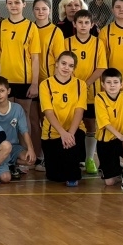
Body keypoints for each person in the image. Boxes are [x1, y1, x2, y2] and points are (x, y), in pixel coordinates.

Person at [0, 0, 42, 169]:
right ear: (6, 5)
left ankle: (25, 154)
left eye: (17, 2)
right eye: (10, 3)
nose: (13, 6)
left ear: (24, 4)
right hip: (3, 80)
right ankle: (4, 155)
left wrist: (34, 83)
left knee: (23, 118)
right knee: (2, 117)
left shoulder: (31, 27)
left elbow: (35, 58)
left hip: (24, 80)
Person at [67, 9, 107, 175]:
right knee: (71, 124)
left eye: (86, 23)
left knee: (91, 125)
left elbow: (101, 67)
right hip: (71, 92)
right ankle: (73, 158)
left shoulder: (98, 43)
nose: (83, 26)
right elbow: (64, 65)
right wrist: (75, 84)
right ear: (74, 24)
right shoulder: (67, 42)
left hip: (92, 92)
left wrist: (85, 84)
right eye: (80, 22)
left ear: (92, 25)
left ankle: (89, 158)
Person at [39, 51, 86, 186]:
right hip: (52, 134)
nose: (66, 68)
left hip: (74, 131)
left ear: (74, 68)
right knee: (55, 177)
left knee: (71, 175)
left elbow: (79, 111)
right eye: (63, 63)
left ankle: (74, 166)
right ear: (57, 64)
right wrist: (62, 133)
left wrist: (69, 134)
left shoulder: (80, 85)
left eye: (71, 66)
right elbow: (48, 112)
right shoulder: (46, 84)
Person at [0, 76, 35, 181]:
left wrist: (31, 149)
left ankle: (12, 165)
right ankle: (5, 166)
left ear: (8, 91)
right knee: (5, 178)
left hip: (14, 147)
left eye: (2, 91)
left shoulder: (17, 108)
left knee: (30, 159)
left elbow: (24, 131)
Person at [31, 0, 68, 83]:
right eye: (37, 9)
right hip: (29, 77)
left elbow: (59, 58)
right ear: (33, 11)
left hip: (48, 78)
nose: (40, 12)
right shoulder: (28, 29)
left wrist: (55, 81)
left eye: (44, 9)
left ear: (49, 11)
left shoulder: (56, 31)